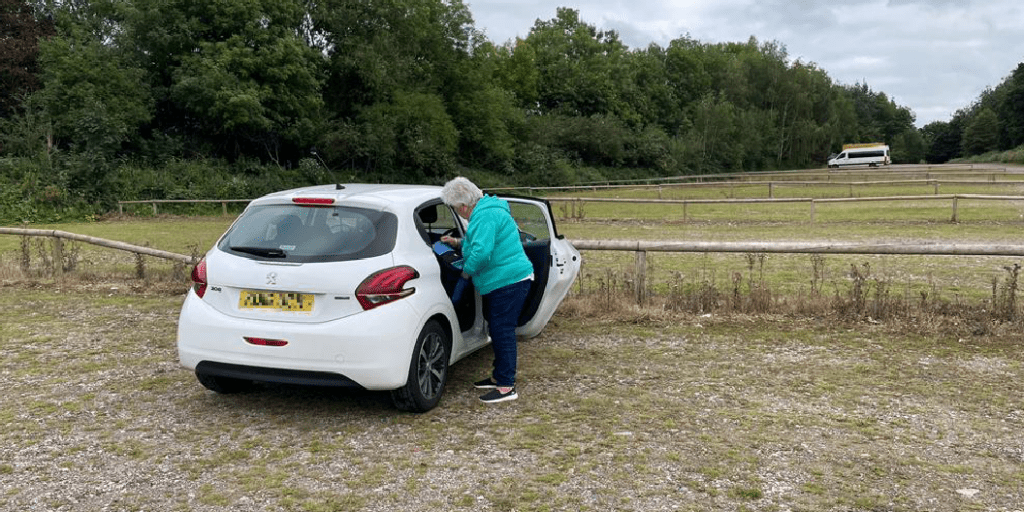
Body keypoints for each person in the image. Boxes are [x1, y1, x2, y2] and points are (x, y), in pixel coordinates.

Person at [440, 177, 533, 404]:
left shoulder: (484, 215)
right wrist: (457, 243)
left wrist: (465, 272)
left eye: (455, 209)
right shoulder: (488, 210)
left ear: (463, 206)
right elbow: (479, 242)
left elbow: (481, 252)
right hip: (506, 279)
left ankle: (506, 388)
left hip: (508, 281)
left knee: (502, 331)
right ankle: (498, 377)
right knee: (498, 327)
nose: (458, 213)